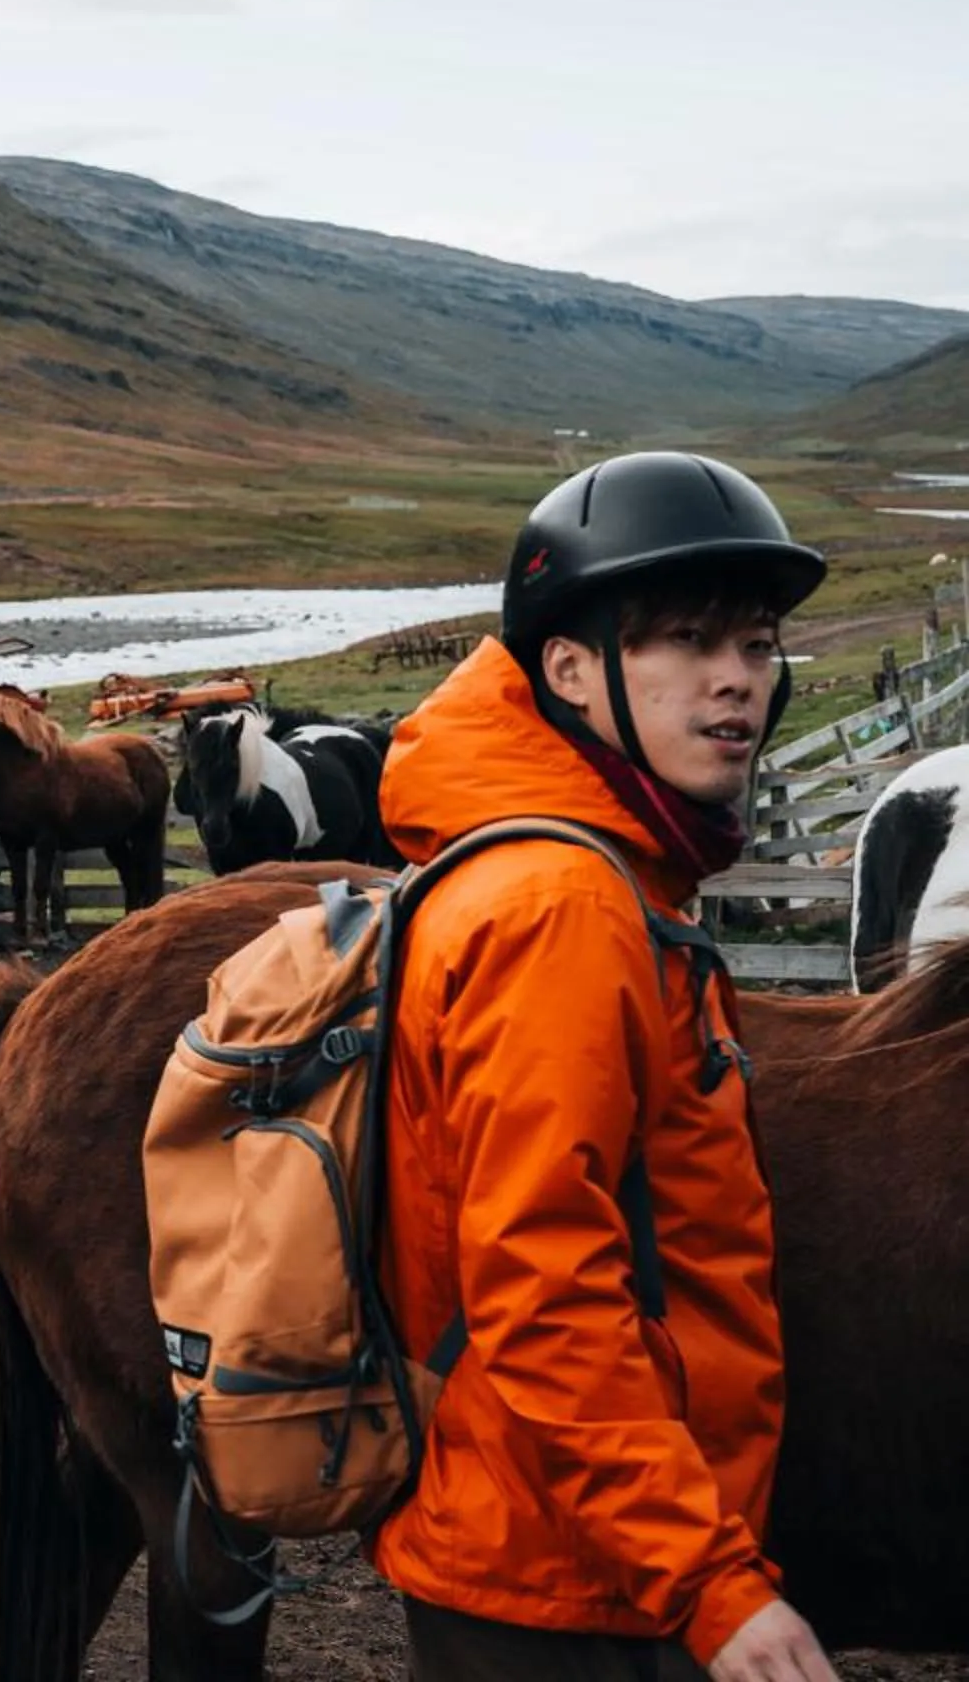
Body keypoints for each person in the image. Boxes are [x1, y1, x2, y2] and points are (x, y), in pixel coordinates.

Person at [371, 453, 840, 1682]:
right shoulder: (562, 906)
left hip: (580, 1552)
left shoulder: (600, 873)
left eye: (756, 640)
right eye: (685, 639)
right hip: (570, 1584)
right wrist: (713, 1585)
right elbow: (543, 1287)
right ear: (569, 670)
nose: (738, 676)